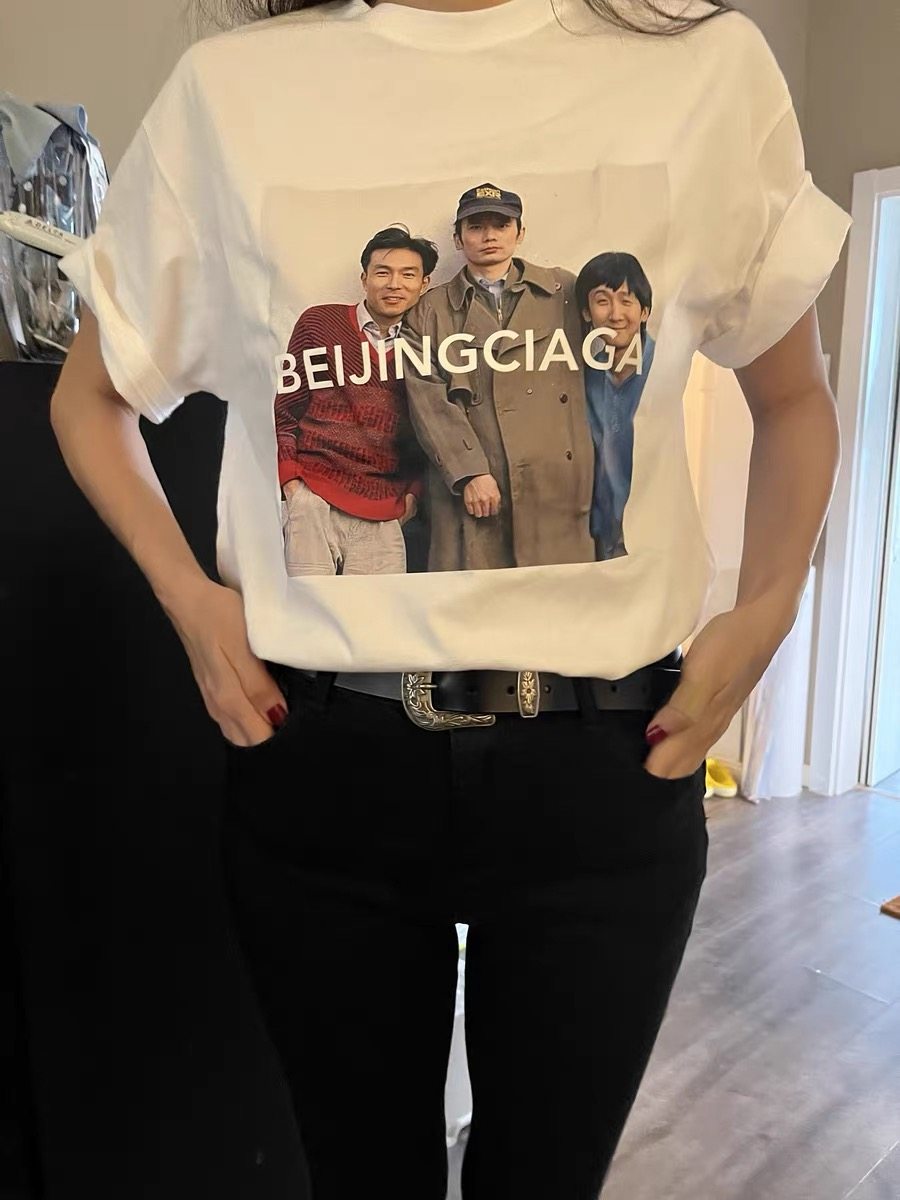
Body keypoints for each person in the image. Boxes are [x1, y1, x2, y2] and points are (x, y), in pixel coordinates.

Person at [49, 0, 850, 1195]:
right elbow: (90, 396)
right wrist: (189, 601)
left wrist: (772, 603)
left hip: (605, 766)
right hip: (327, 762)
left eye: (494, 224)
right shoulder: (231, 93)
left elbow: (794, 398)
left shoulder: (704, 68)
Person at [402, 183, 595, 570]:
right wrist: (469, 472)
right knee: (475, 600)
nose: (489, 236)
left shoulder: (565, 290)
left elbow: (613, 359)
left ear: (520, 233)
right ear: (458, 239)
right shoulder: (429, 311)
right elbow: (428, 402)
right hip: (475, 490)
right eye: (476, 226)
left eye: (501, 225)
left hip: (555, 489)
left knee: (558, 599)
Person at [274, 224, 435, 576]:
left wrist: (413, 495)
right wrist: (292, 484)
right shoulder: (319, 323)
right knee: (308, 605)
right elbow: (286, 409)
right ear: (364, 279)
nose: (394, 284)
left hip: (385, 508)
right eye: (383, 272)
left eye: (408, 275)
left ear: (424, 284)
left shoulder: (431, 342)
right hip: (313, 498)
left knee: (378, 609)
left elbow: (432, 429)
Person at [576, 251, 656, 560]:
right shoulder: (583, 372)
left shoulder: (664, 367)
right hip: (597, 535)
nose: (615, 314)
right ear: (586, 313)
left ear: (644, 311)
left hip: (651, 533)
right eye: (602, 301)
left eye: (626, 301)